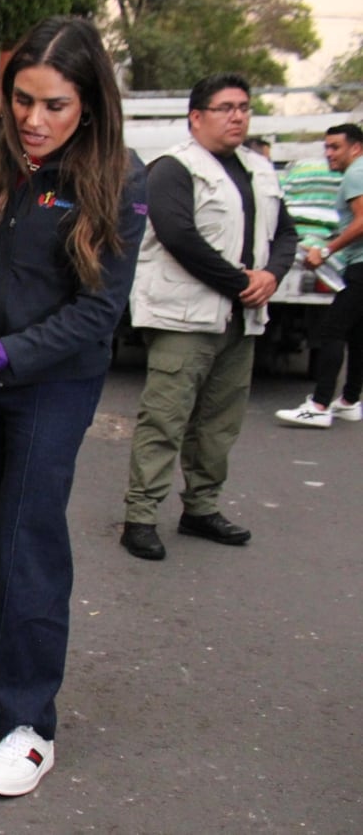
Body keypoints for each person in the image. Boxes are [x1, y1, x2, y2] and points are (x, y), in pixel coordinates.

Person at [0, 17, 147, 797]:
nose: (34, 122)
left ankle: (29, 725)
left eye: (56, 106)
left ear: (91, 106)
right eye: (22, 101)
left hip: (51, 382)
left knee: (26, 539)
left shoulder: (121, 178)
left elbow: (94, 315)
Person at [120, 73, 298, 560]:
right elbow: (179, 237)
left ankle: (201, 508)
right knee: (165, 419)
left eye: (243, 106)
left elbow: (286, 234)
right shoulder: (174, 169)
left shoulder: (260, 170)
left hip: (240, 320)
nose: (237, 115)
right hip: (184, 317)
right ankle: (140, 516)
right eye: (225, 107)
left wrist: (273, 276)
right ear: (196, 117)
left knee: (220, 421)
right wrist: (243, 282)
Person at [275, 123, 363, 428]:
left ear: (355, 147)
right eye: (326, 147)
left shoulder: (355, 173)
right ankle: (350, 400)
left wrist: (325, 250)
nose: (329, 154)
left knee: (332, 330)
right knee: (356, 333)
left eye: (335, 147)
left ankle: (320, 405)